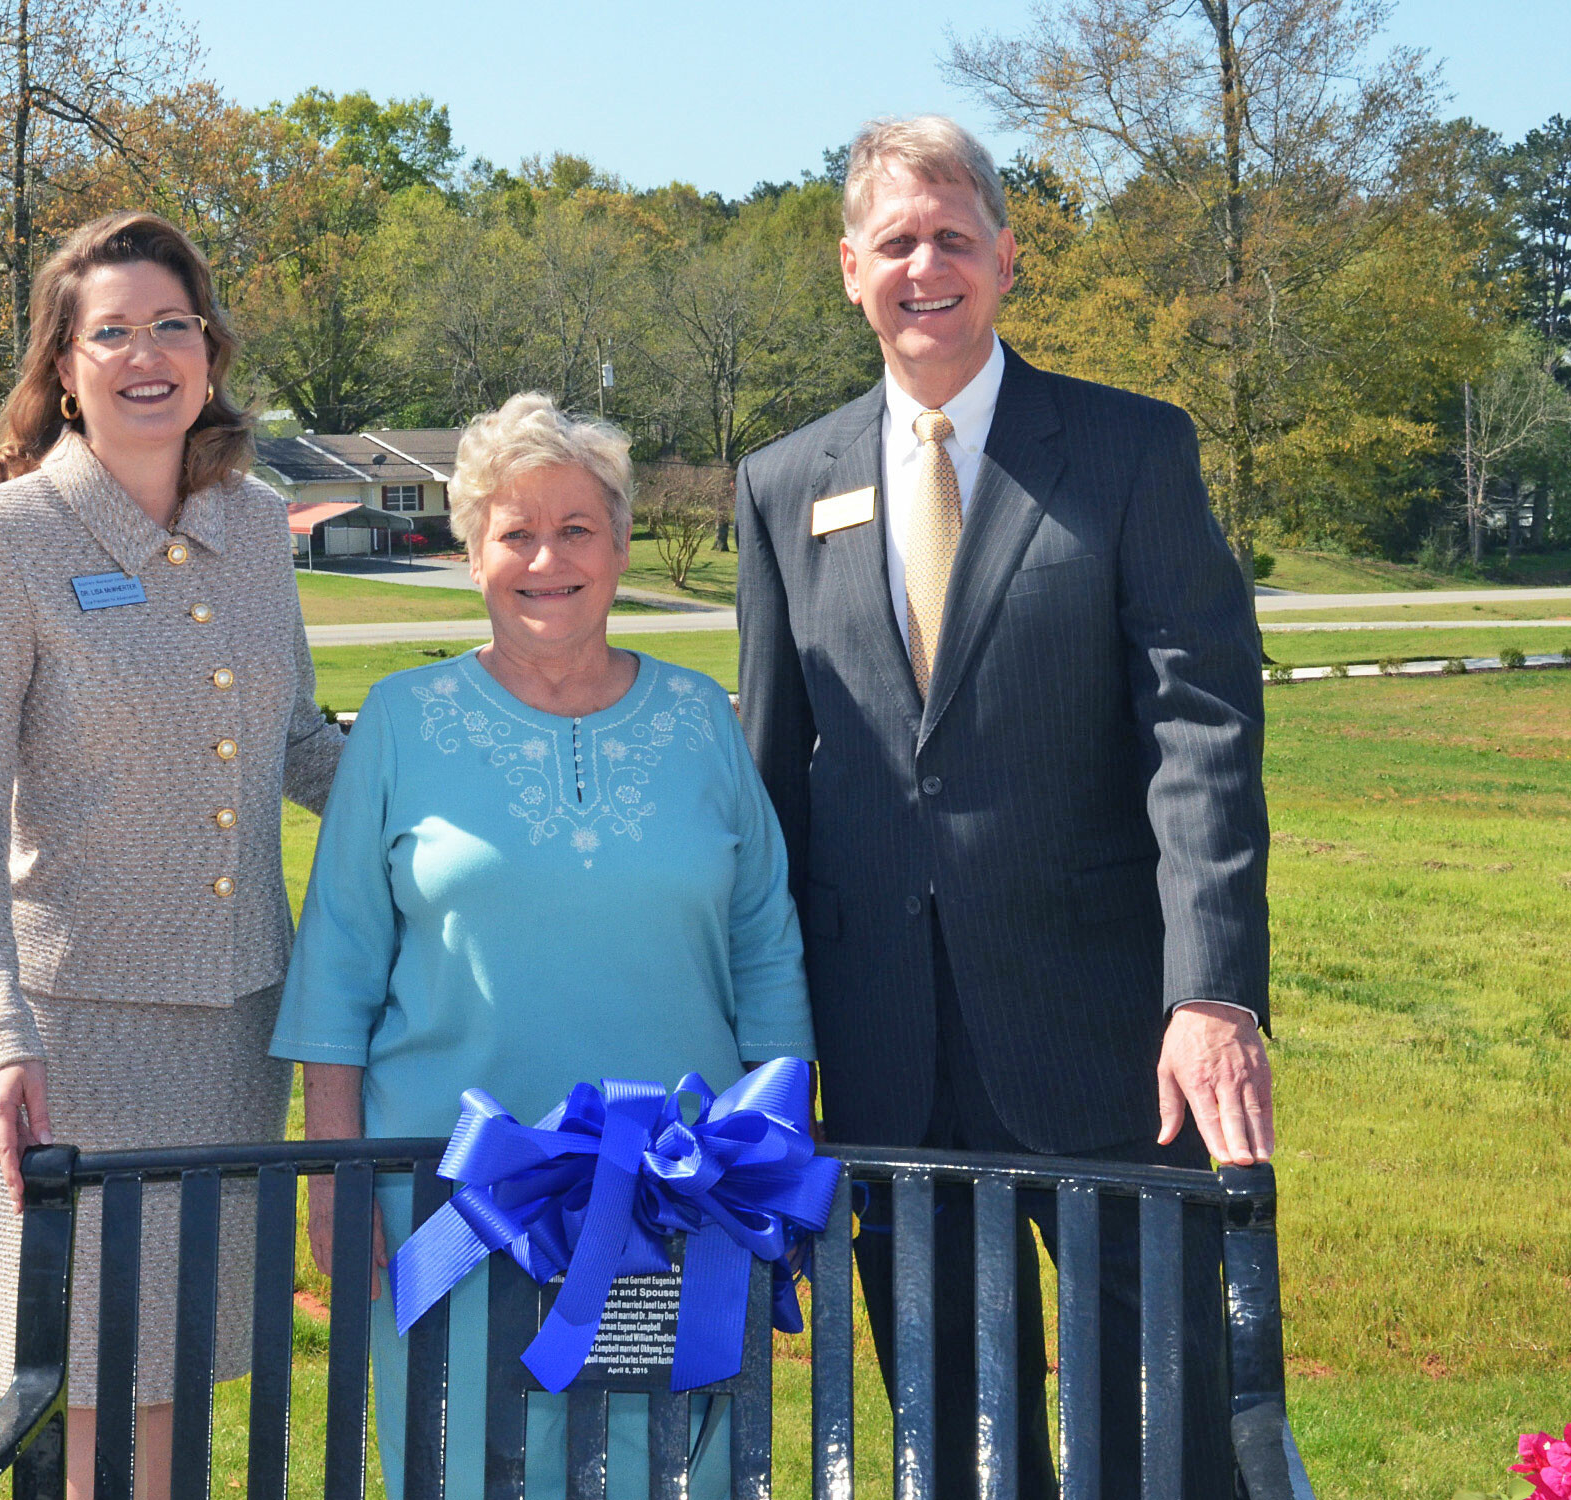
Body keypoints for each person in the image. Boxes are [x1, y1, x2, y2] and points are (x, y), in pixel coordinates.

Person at [735, 117, 1273, 1500]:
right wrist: (763, 1049)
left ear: (1006, 259)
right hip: (883, 1062)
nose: (928, 266)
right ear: (850, 268)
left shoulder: (1129, 451)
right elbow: (767, 786)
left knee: (1158, 1438)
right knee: (955, 1447)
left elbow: (1201, 731)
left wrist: (1211, 991)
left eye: (953, 238)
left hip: (1109, 1046)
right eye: (897, 242)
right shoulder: (782, 485)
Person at [270, 392, 815, 1500]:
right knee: (465, 1473)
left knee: (667, 1477)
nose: (546, 559)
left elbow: (766, 949)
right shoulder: (400, 721)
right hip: (452, 1198)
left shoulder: (700, 719)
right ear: (470, 551)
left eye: (576, 529)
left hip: (677, 1196)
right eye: (514, 532)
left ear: (619, 547)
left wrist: (783, 1153)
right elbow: (336, 967)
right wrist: (338, 1177)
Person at [0, 210, 343, 1500]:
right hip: (73, 1037)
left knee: (198, 1366)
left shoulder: (257, 524)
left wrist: (479, 765)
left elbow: (299, 745)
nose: (147, 354)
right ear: (63, 368)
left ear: (209, 353)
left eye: (174, 325)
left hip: (232, 1026)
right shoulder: (0, 543)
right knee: (85, 1376)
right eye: (112, 332)